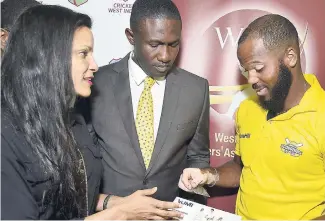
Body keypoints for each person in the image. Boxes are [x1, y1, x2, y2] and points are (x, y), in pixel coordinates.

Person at [1, 4, 182, 220]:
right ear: (48, 58)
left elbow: (71, 195)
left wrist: (116, 202)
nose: (95, 64)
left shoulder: (74, 119)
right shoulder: (6, 134)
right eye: (83, 54)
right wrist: (119, 214)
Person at [179, 14, 325, 220]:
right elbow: (241, 168)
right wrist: (207, 175)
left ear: (290, 57)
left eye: (258, 68)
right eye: (246, 71)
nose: (252, 79)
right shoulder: (246, 109)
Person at [84, 0, 210, 203]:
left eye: (174, 44)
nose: (165, 56)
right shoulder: (96, 84)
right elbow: (85, 159)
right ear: (131, 37)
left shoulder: (196, 89)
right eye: (155, 44)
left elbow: (198, 156)